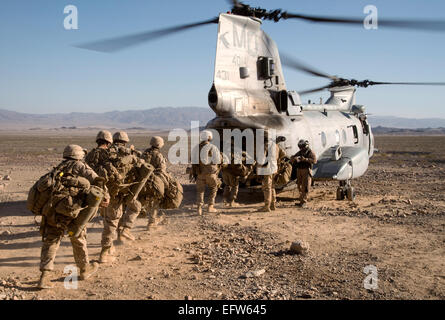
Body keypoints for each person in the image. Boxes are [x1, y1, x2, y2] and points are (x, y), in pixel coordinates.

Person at [38, 145, 109, 289]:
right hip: (73, 211)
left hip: (54, 211)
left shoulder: (58, 168)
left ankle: (44, 276)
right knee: (78, 237)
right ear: (79, 155)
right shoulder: (81, 166)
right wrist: (105, 197)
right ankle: (84, 269)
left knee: (51, 240)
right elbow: (98, 181)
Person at [99, 131, 141, 263]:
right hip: (118, 192)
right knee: (114, 220)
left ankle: (115, 241)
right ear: (125, 141)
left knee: (111, 218)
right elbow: (140, 165)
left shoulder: (102, 153)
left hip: (102, 192)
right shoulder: (126, 153)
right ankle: (105, 253)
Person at [191, 130, 222, 215]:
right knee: (213, 188)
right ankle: (210, 206)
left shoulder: (196, 148)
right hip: (211, 174)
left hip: (200, 173)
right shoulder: (213, 147)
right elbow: (218, 160)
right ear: (209, 137)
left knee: (200, 191)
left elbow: (192, 160)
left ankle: (199, 208)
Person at [141, 136, 168, 230]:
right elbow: (162, 170)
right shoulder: (159, 156)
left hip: (142, 182)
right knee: (155, 201)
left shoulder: (144, 154)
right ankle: (151, 223)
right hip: (154, 181)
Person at [257, 137, 286, 212]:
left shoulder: (265, 145)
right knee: (272, 187)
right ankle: (273, 205)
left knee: (267, 188)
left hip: (267, 169)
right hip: (274, 168)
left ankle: (267, 206)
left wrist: (258, 168)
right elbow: (283, 154)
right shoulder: (276, 145)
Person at [291, 139, 317, 207]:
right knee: (299, 185)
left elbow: (314, 160)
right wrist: (294, 158)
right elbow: (294, 157)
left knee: (305, 187)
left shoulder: (310, 152)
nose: (301, 148)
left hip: (306, 170)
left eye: (302, 146)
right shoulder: (300, 152)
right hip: (299, 170)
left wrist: (305, 159)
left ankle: (304, 202)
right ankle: (301, 201)